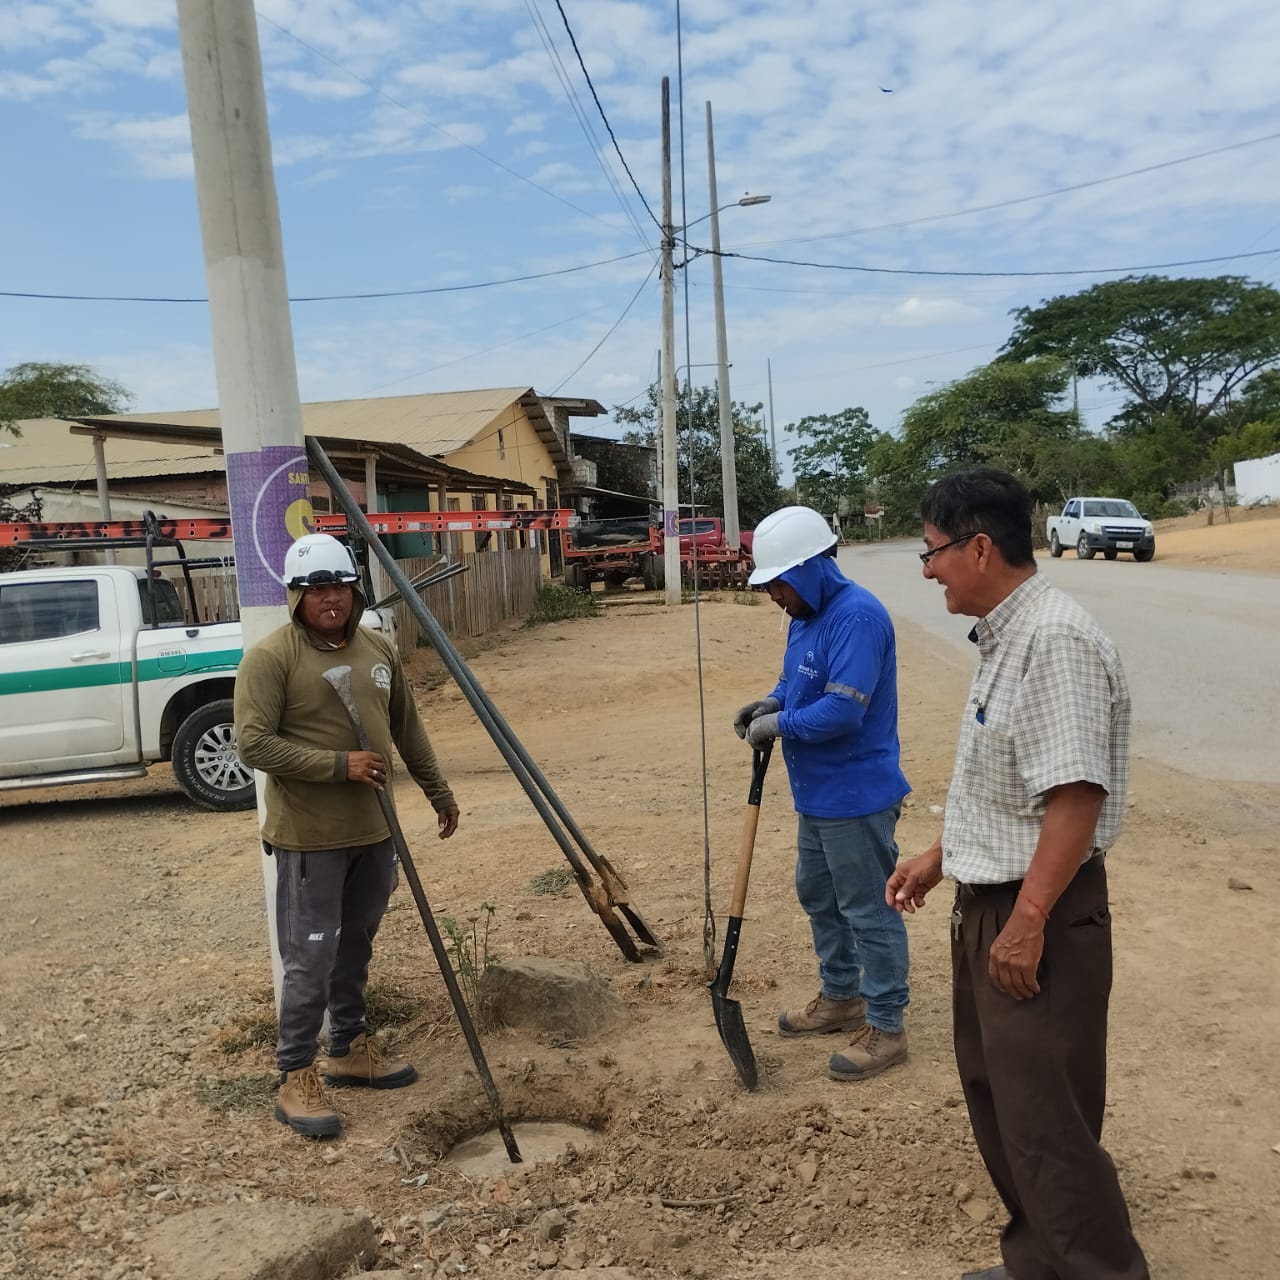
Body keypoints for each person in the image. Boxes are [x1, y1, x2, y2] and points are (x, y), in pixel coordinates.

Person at [887, 469, 1149, 1280]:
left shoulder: (1054, 641)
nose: (927, 570)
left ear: (978, 548)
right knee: (1002, 1099)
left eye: (931, 551)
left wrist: (1029, 920)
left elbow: (1074, 796)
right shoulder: (1007, 636)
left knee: (1047, 1121)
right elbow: (1013, 788)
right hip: (996, 904)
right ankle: (1039, 1262)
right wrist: (941, 858)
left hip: (1040, 913)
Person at [234, 533, 460, 1140]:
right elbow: (252, 744)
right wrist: (339, 765)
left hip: (374, 830)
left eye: (338, 586)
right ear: (295, 596)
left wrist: (438, 790)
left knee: (357, 941)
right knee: (310, 955)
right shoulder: (271, 659)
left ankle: (348, 1048)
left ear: (354, 590)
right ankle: (295, 1073)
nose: (329, 598)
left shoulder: (376, 648)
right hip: (309, 838)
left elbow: (407, 728)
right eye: (315, 590)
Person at [733, 505, 911, 1081]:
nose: (774, 596)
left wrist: (779, 725)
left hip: (857, 794)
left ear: (810, 568)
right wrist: (771, 702)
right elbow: (797, 682)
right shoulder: (804, 615)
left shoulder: (857, 617)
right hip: (818, 793)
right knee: (817, 893)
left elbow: (842, 710)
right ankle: (842, 995)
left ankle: (886, 1026)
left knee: (868, 908)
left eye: (778, 583)